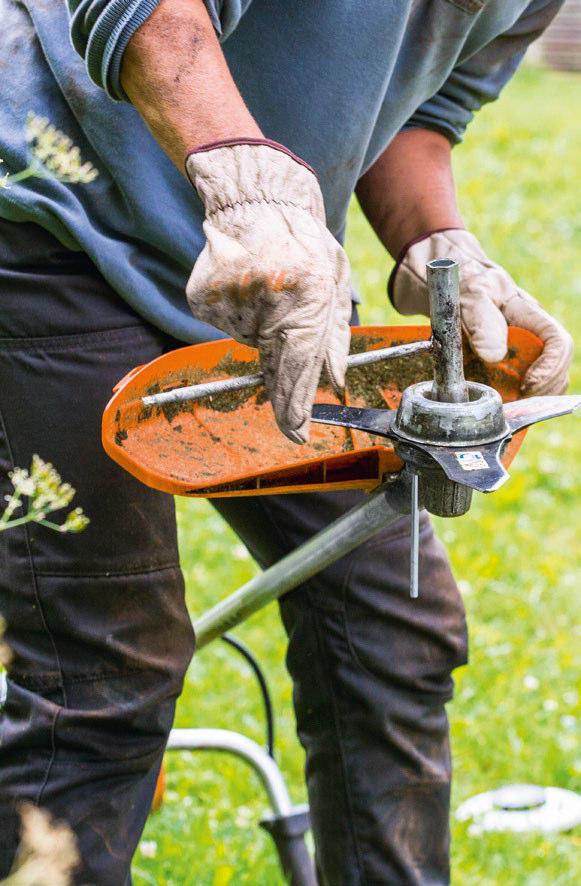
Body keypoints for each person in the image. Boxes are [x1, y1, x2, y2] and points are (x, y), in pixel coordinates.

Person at [0, 1, 573, 882]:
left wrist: (436, 240)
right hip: (50, 226)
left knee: (391, 629)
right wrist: (246, 187)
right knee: (105, 675)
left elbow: (411, 113)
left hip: (275, 274)